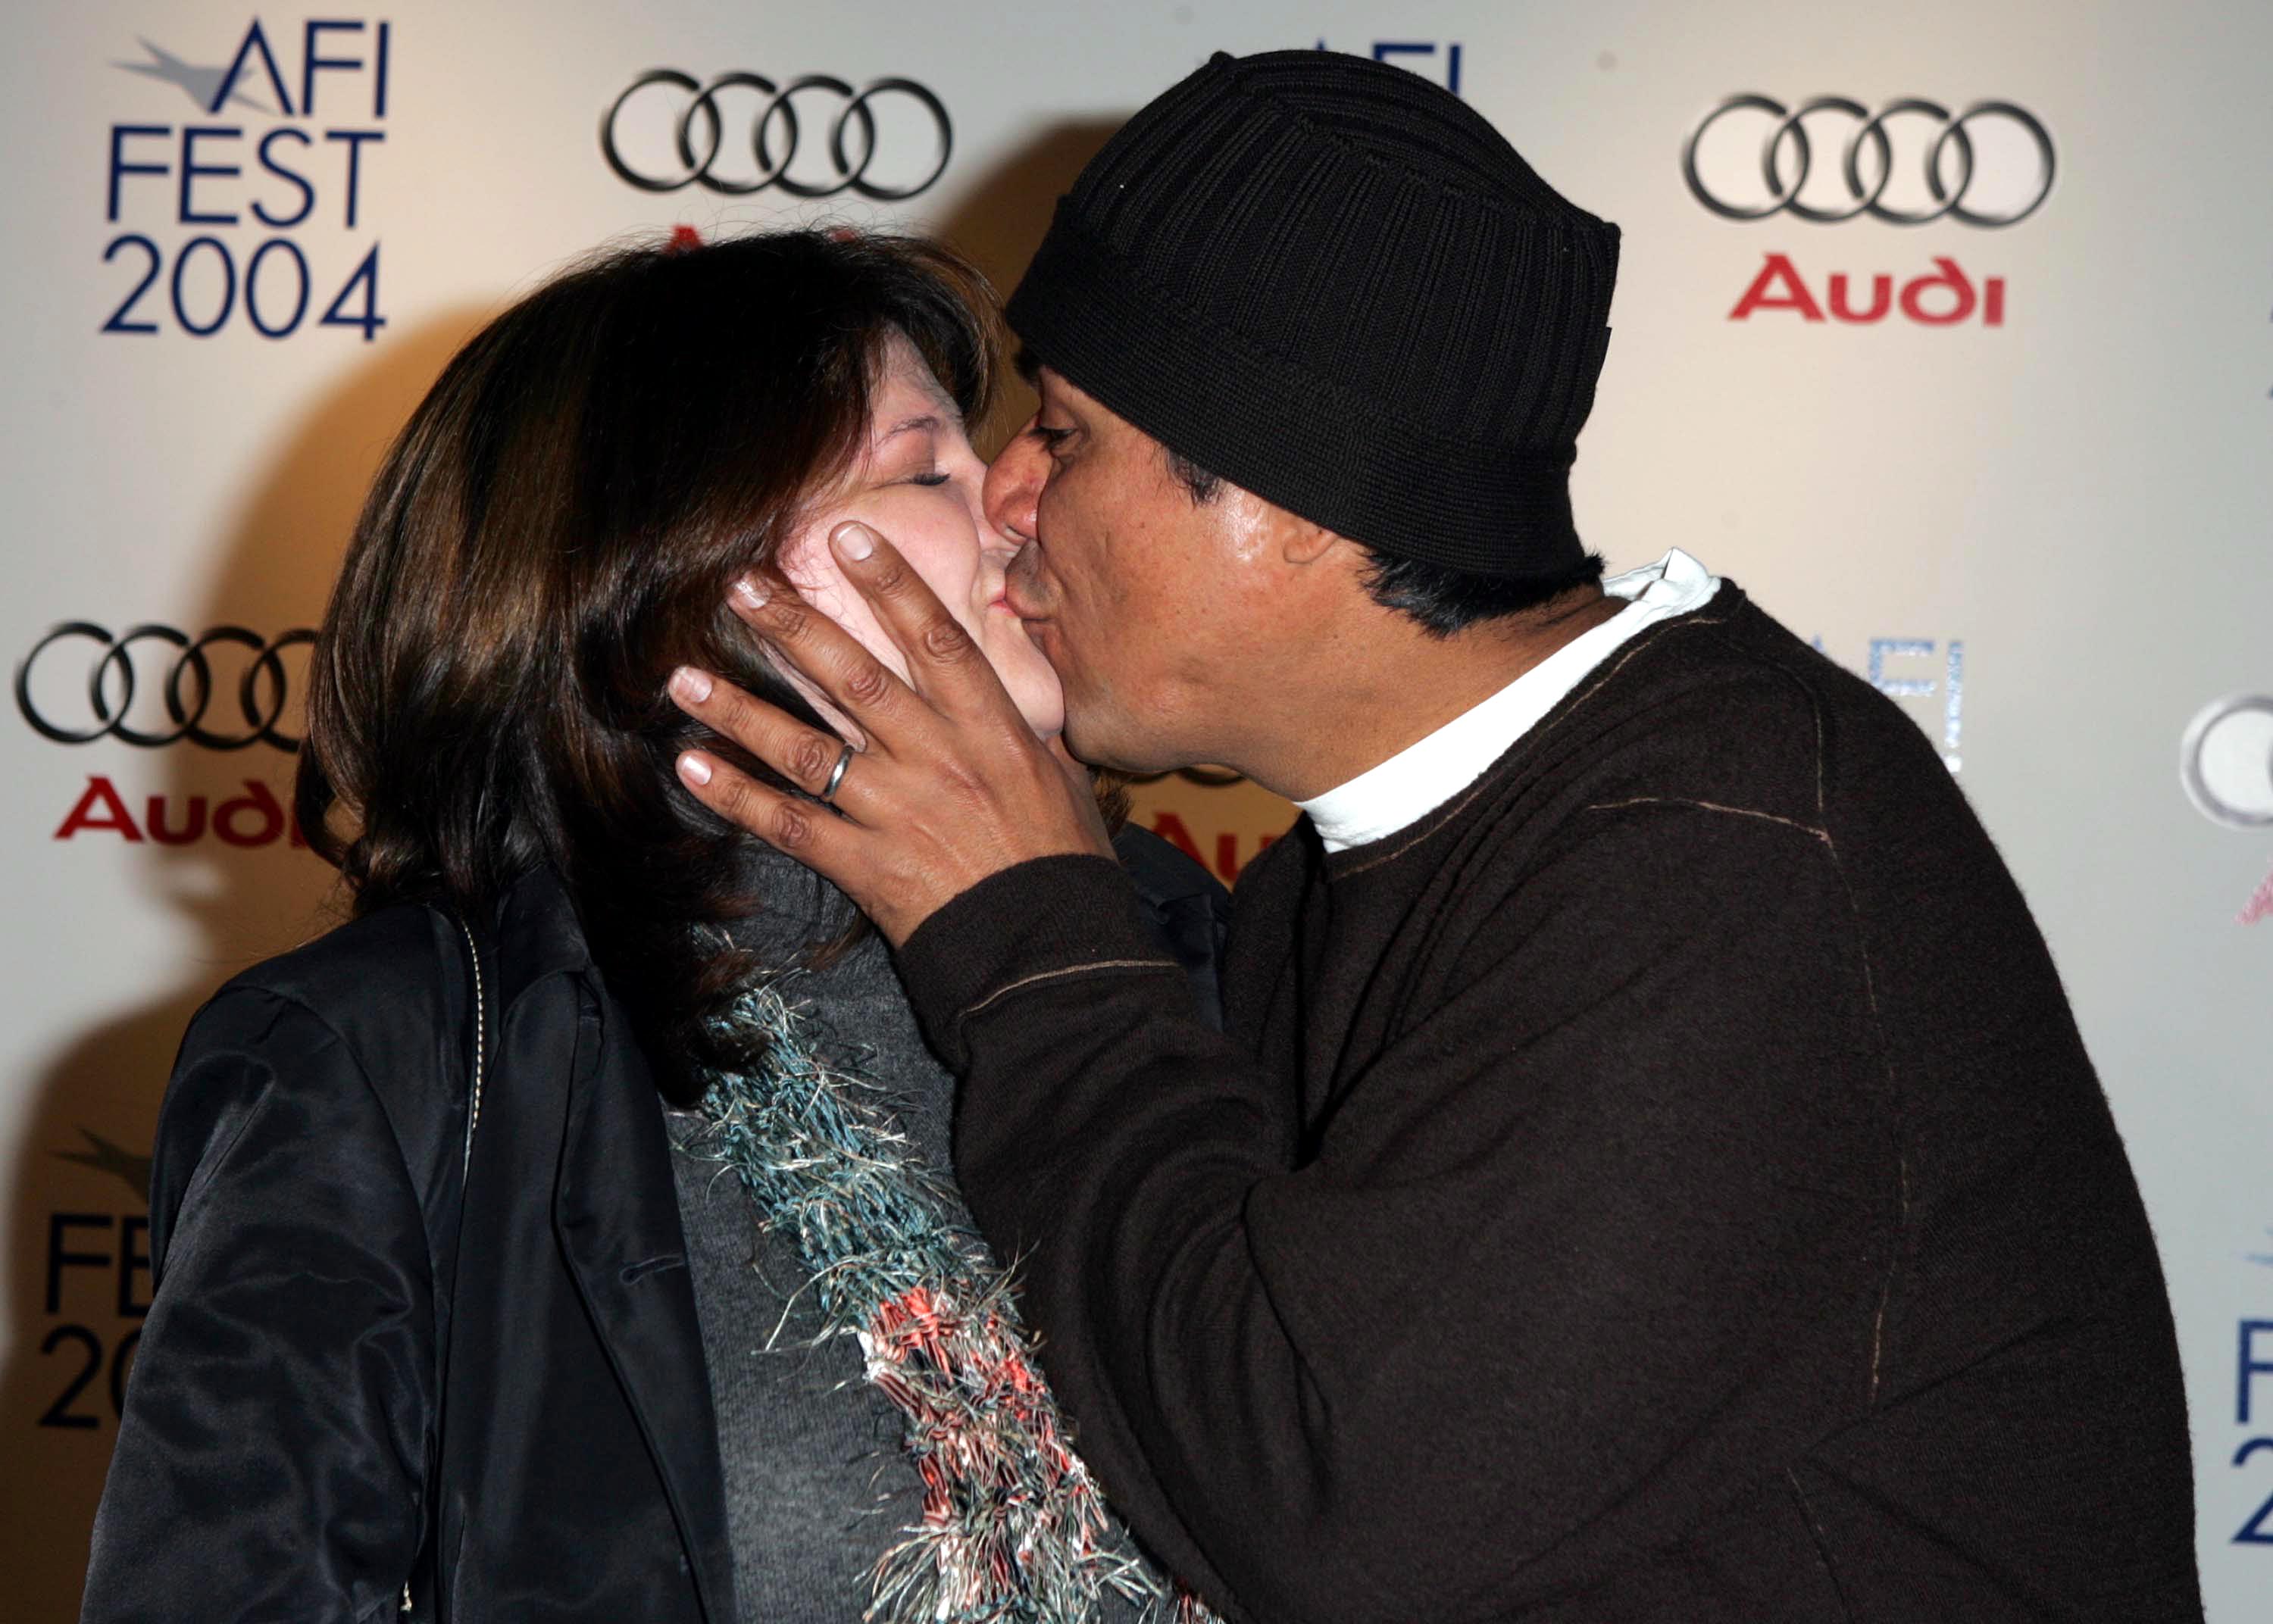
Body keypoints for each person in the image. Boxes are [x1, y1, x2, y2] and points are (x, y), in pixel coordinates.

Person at [665, 51, 2206, 1622]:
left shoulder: (1729, 846)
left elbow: (1324, 1510)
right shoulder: (1326, 897)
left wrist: (1031, 930)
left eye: (1064, 432)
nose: (1006, 498)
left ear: (1298, 495)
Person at [80, 228, 1224, 1624]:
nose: (1021, 506)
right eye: (927, 466)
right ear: (666, 574)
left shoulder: (1202, 949)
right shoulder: (387, 1056)